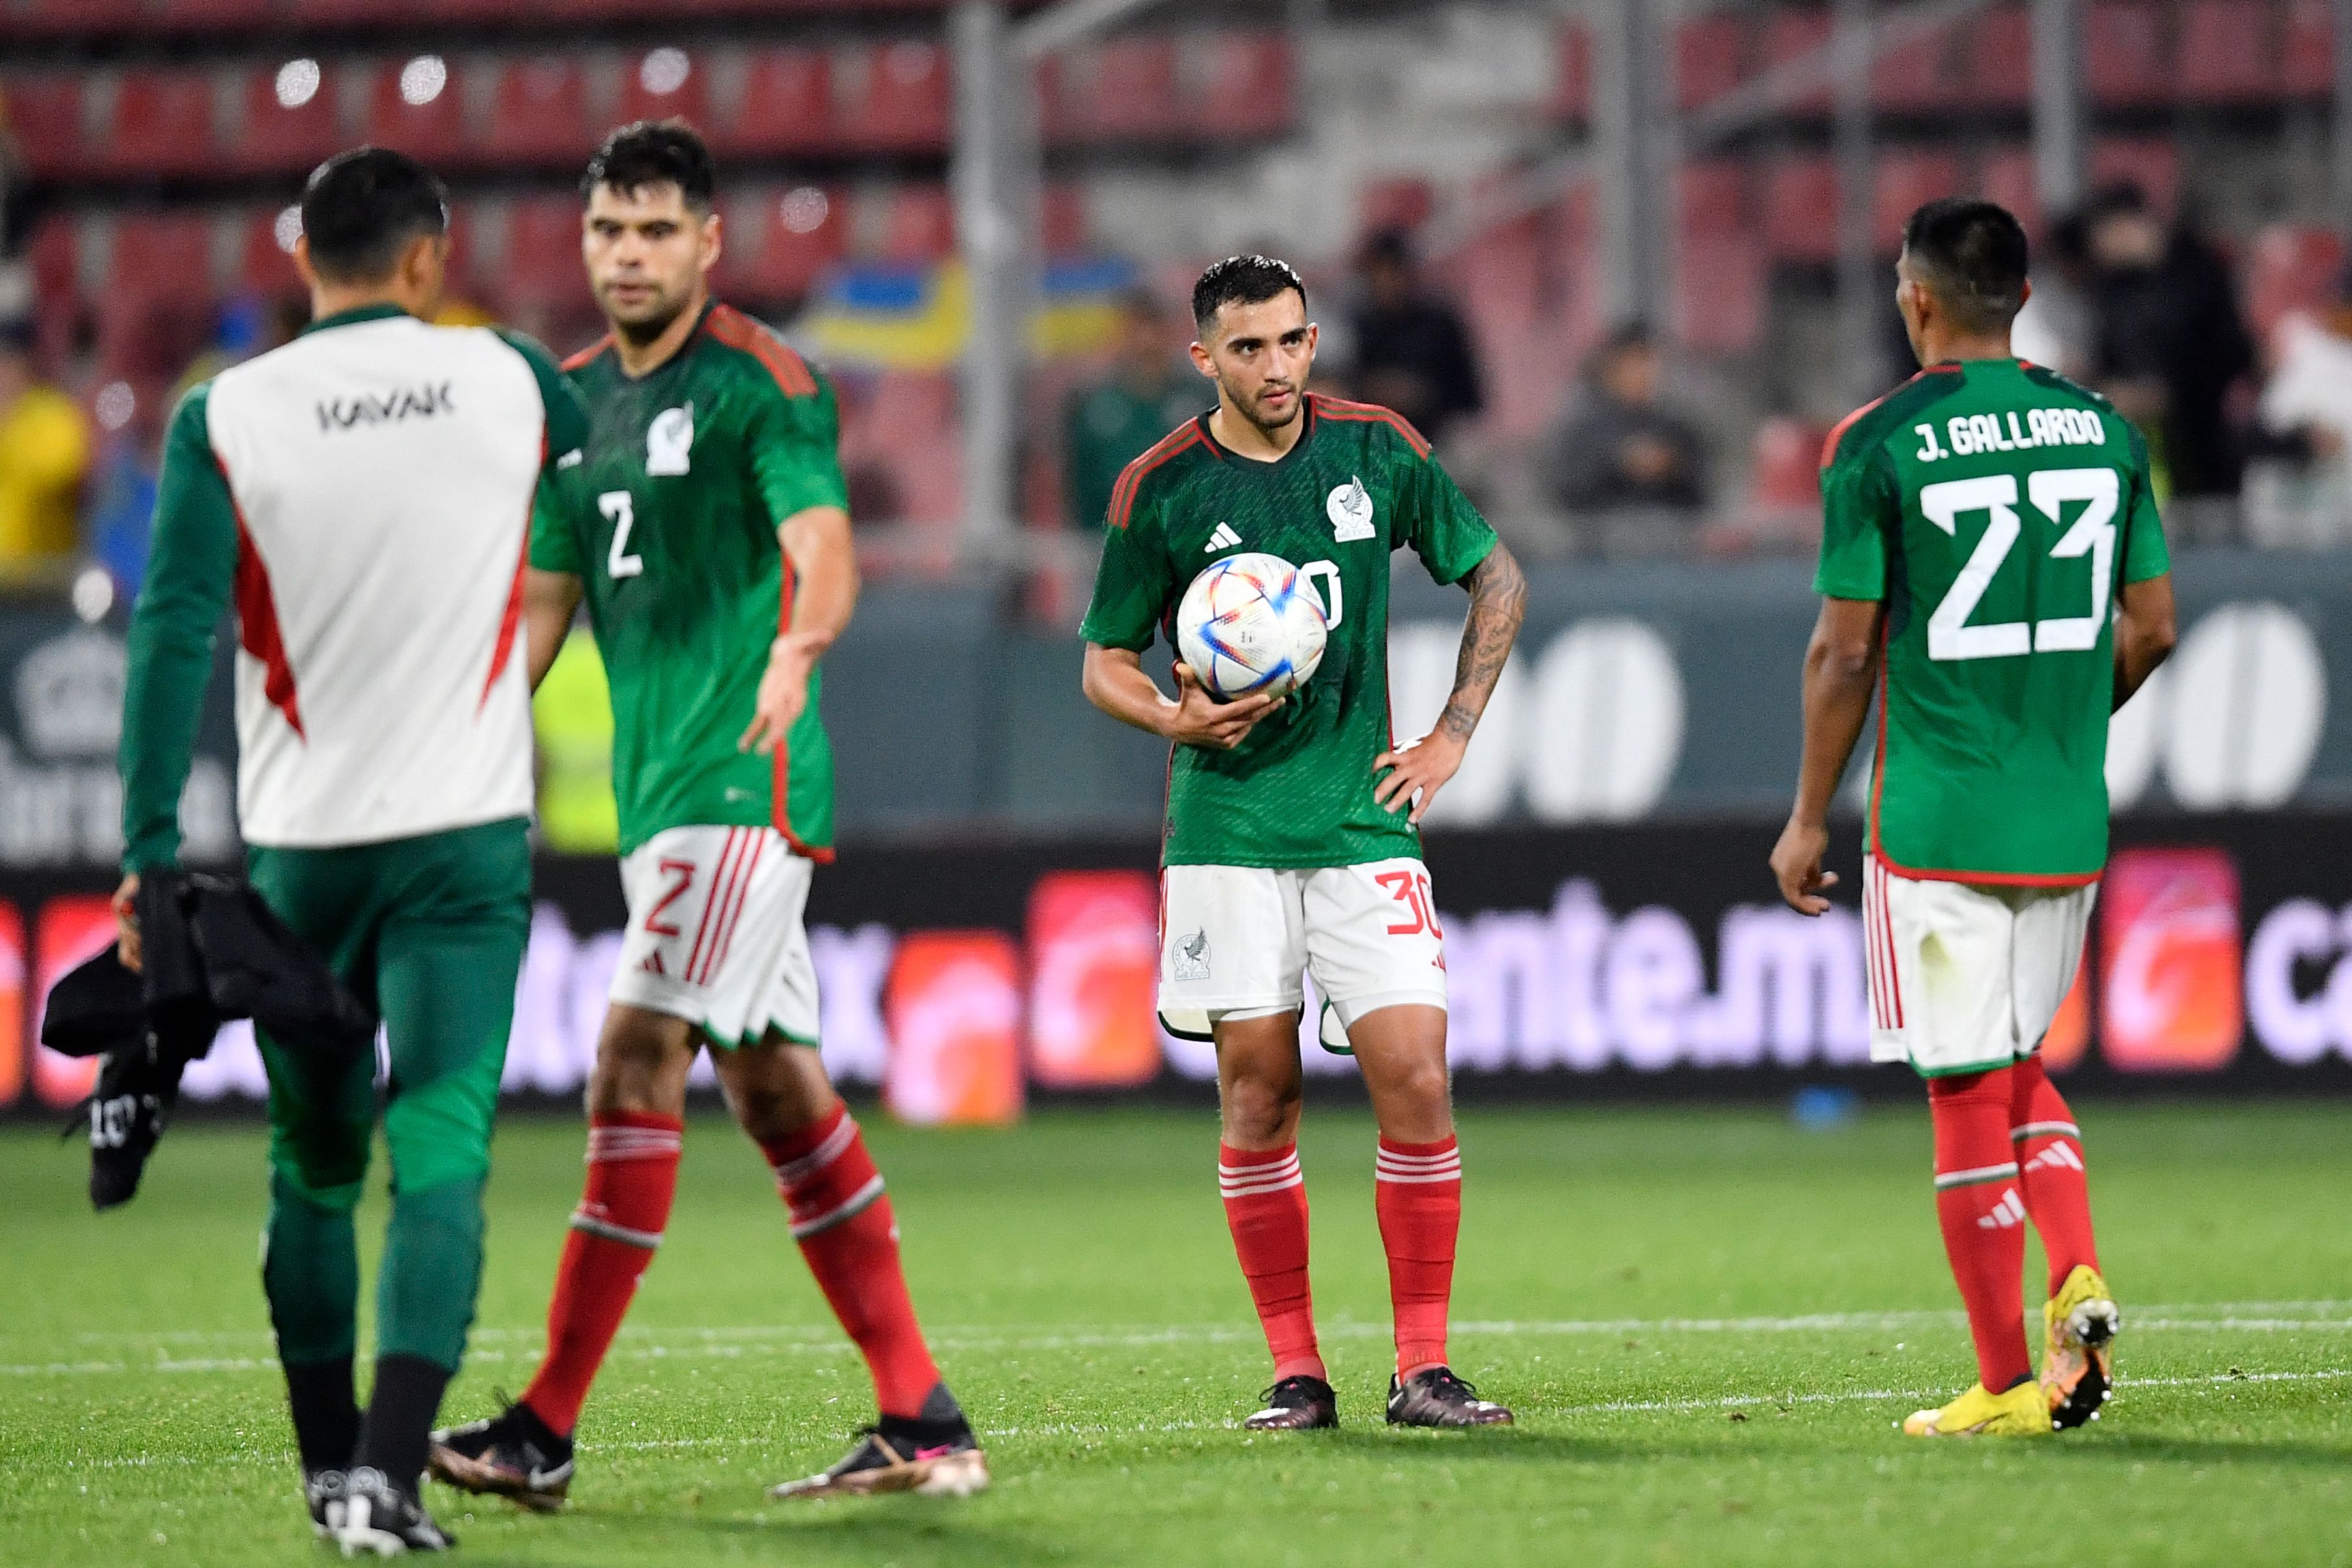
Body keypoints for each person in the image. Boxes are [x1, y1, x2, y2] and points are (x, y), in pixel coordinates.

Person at [427, 120, 986, 1510]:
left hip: (749, 770)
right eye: (609, 230)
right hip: (658, 794)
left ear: (708, 241)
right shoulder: (565, 404)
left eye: (656, 230)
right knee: (777, 1087)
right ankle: (923, 1416)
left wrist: (801, 646)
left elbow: (823, 548)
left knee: (633, 1051)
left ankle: (542, 1425)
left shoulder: (762, 382)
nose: (629, 255)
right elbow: (544, 603)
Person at [112, 147, 589, 1552]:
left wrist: (149, 859)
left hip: (304, 851)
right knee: (439, 1146)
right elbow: (617, 502)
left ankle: (332, 1476)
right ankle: (392, 1472)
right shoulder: (511, 376)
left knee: (309, 1167)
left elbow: (172, 629)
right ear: (429, 258)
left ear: (301, 257)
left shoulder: (228, 412)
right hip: (461, 843)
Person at [1078, 254, 1528, 1432]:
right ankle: (1297, 1373)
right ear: (1204, 359)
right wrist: (1170, 714)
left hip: (1361, 820)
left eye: (1288, 343)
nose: (1273, 369)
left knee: (1417, 1078)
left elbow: (1496, 575)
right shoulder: (1159, 487)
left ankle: (1422, 1369)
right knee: (1257, 1101)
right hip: (1225, 829)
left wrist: (1450, 736)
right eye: (1246, 349)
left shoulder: (1376, 448)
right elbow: (1102, 661)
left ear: (1311, 339)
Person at [1769, 198, 2177, 1440]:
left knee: (1960, 1094)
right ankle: (2078, 1270)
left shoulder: (1877, 441)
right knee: (2022, 1065)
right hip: (2061, 817)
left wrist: (1804, 819)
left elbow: (1845, 655)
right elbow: (2152, 626)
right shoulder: (2106, 433)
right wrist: (2061, 721)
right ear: (2024, 295)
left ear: (1917, 300)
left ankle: (2003, 1384)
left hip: (1937, 816)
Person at [2082, 184, 2257, 500]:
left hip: (2203, 440)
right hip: (2141, 439)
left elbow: (2231, 353)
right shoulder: (2113, 288)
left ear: (2125, 224)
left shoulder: (2198, 273)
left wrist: (2168, 392)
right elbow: (2108, 356)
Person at [1537, 320, 1708, 546]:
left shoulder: (1678, 428)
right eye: (1633, 362)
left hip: (1671, 549)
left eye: (1648, 362)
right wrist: (1619, 464)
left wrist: (1671, 467)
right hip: (1597, 552)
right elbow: (1568, 494)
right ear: (1612, 367)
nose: (1643, 372)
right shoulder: (1581, 430)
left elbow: (1701, 497)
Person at [1063, 288, 1204, 529]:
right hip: (1110, 541)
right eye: (1137, 328)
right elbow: (1079, 485)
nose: (1145, 340)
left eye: (1154, 329)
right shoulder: (1093, 408)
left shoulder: (1200, 403)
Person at [1343, 228, 1484, 447]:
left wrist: (1421, 396)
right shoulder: (1357, 325)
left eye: (1392, 271)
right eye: (1377, 273)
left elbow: (1469, 398)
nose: (1385, 282)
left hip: (1439, 439)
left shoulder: (1439, 324)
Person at [0, 318, 91, 584]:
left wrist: (8, 425)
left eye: (8, 362)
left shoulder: (54, 413)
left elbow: (59, 472)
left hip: (42, 584)